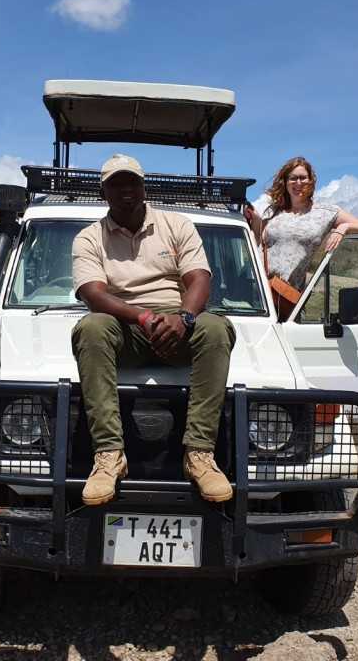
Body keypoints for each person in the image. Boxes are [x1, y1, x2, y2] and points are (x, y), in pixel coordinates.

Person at [71, 154, 237, 506]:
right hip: (122, 325)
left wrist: (185, 318)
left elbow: (198, 279)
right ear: (104, 192)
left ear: (144, 186)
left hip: (178, 321)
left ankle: (200, 455)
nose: (126, 190)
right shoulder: (89, 237)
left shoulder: (177, 224)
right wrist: (143, 318)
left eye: (132, 181)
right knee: (91, 328)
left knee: (216, 328)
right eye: (116, 183)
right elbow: (93, 294)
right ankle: (109, 456)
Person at [246, 156, 358, 319]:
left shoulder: (324, 213)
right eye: (293, 178)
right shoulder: (274, 211)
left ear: (311, 181)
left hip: (288, 299)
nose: (298, 183)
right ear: (285, 182)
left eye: (303, 178)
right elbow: (258, 242)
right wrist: (255, 219)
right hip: (257, 292)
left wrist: (343, 228)